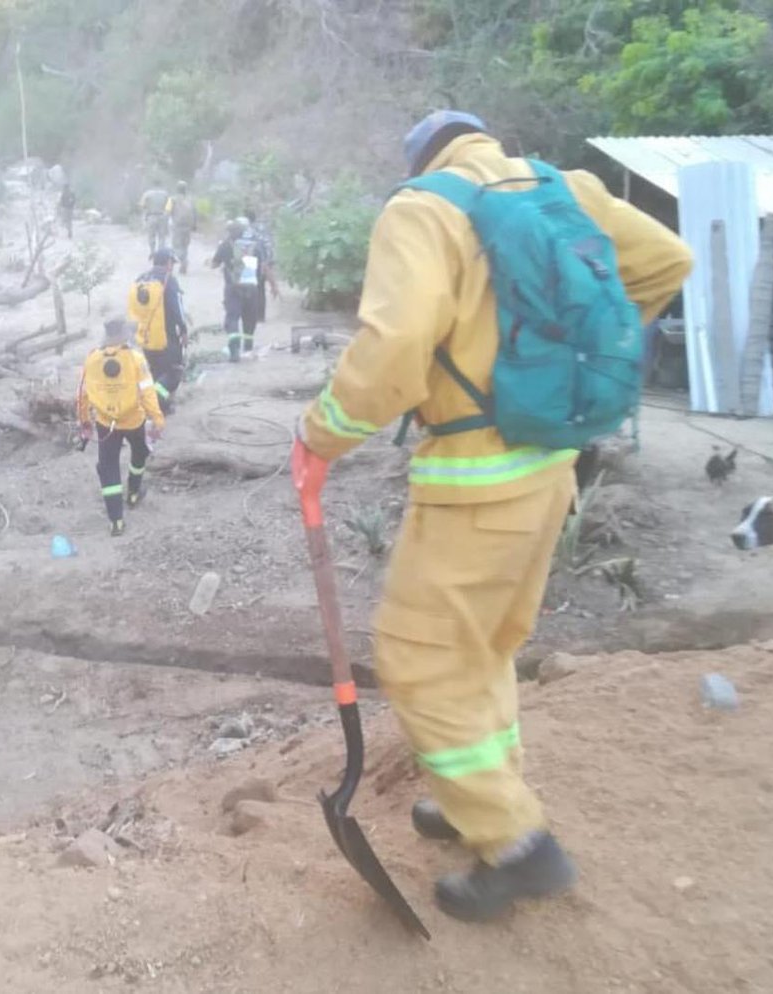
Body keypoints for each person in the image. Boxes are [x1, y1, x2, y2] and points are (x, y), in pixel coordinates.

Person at [292, 111, 692, 922]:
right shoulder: (562, 188)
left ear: (424, 156)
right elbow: (665, 261)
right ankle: (474, 793)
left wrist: (319, 434)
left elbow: (397, 347)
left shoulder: (422, 209)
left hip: (475, 476)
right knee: (485, 643)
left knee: (418, 655)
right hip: (551, 466)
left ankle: (515, 844)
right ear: (484, 140)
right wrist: (572, 361)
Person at [76, 317, 165, 537]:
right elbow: (147, 391)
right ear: (125, 335)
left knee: (108, 468)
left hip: (106, 423)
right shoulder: (135, 358)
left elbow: (82, 394)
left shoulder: (92, 359)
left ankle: (116, 521)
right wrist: (158, 420)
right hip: (135, 420)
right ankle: (134, 493)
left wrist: (85, 422)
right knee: (140, 453)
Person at [127, 247, 188, 415]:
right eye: (172, 263)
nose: (173, 266)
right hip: (166, 337)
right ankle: (156, 403)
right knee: (173, 372)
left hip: (145, 338)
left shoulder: (140, 279)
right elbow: (177, 309)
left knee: (155, 371)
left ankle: (160, 405)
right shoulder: (168, 280)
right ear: (168, 262)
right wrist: (183, 330)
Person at [210, 217, 266, 361]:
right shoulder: (255, 246)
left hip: (233, 289)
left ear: (230, 232)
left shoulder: (225, 246)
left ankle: (234, 350)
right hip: (252, 288)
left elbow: (214, 264)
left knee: (232, 318)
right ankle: (248, 349)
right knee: (249, 319)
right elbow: (262, 268)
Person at [241, 206, 280, 323]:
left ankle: (247, 315)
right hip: (262, 262)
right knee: (260, 289)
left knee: (246, 289)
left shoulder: (242, 232)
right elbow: (269, 246)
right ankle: (260, 317)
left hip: (249, 263)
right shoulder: (262, 230)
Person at [165, 181, 198, 274]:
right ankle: (184, 261)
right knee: (185, 245)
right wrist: (194, 225)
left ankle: (182, 260)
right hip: (188, 226)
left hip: (177, 226)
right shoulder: (191, 199)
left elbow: (167, 212)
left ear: (177, 189)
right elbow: (195, 213)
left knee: (176, 246)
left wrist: (166, 225)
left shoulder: (172, 199)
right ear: (185, 189)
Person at [138, 183, 170, 255]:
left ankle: (152, 251)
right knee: (162, 236)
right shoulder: (165, 194)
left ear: (152, 186)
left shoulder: (147, 194)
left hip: (151, 217)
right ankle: (160, 252)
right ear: (160, 186)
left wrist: (146, 210)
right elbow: (169, 207)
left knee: (151, 236)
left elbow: (141, 205)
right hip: (162, 217)